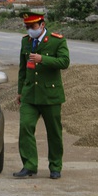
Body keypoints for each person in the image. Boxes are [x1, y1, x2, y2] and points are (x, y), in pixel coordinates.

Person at [13, 12, 70, 180]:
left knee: (54, 132)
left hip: (50, 95)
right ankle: (29, 165)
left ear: (42, 25)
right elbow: (23, 69)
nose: (30, 30)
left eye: (33, 27)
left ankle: (55, 166)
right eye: (27, 27)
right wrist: (20, 91)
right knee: (25, 127)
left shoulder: (57, 40)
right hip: (30, 95)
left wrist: (42, 59)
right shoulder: (25, 41)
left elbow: (64, 62)